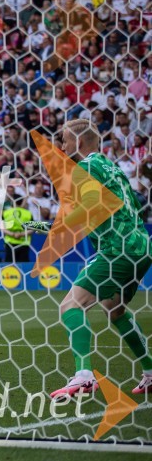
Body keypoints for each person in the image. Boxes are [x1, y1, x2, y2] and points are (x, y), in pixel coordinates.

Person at [25, 119, 152, 397]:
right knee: (113, 308)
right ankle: (150, 371)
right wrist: (43, 227)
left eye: (64, 140)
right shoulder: (111, 167)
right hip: (141, 247)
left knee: (71, 304)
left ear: (78, 143)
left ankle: (83, 376)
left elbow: (91, 206)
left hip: (116, 250)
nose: (60, 146)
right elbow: (98, 214)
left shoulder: (86, 166)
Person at [2, 196, 32, 263]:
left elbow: (1, 228)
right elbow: (32, 229)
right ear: (22, 202)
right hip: (24, 242)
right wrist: (21, 234)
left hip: (10, 242)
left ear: (12, 203)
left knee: (9, 265)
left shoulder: (6, 213)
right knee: (23, 266)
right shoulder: (28, 213)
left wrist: (12, 234)